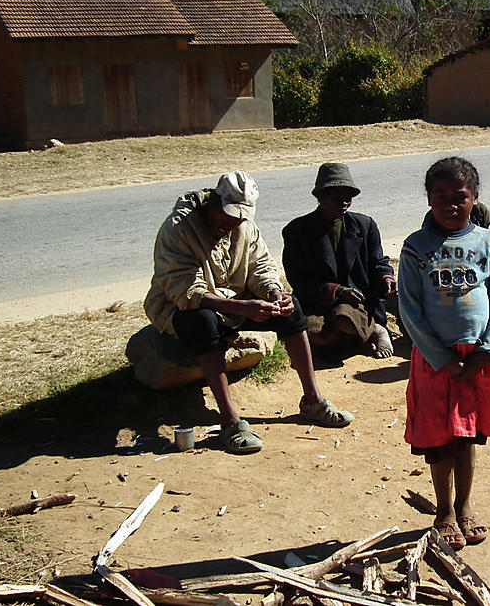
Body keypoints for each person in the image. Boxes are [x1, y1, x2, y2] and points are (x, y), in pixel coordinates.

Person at [144, 170, 353, 455]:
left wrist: (274, 294)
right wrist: (241, 307)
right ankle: (229, 421)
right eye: (225, 216)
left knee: (291, 309)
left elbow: (261, 268)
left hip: (235, 302)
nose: (230, 223)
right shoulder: (178, 228)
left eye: (238, 219)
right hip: (180, 307)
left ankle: (313, 400)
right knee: (205, 323)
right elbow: (185, 291)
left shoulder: (243, 226)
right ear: (214, 200)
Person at [398, 156, 490, 550]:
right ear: (428, 198)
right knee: (439, 438)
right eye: (440, 195)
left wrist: (489, 350)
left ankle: (464, 505)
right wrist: (442, 358)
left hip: (479, 359)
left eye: (459, 196)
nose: (450, 203)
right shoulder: (416, 247)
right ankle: (443, 510)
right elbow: (409, 310)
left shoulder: (488, 243)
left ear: (475, 197)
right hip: (436, 361)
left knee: (468, 437)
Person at [282, 163, 395, 359]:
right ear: (320, 197)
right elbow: (298, 279)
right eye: (336, 198)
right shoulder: (297, 231)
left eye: (348, 198)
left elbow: (378, 261)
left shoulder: (364, 225)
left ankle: (374, 330)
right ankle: (364, 335)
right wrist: (338, 291)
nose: (343, 203)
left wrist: (386, 277)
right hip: (318, 302)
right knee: (314, 334)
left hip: (357, 303)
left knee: (344, 317)